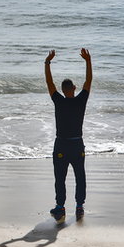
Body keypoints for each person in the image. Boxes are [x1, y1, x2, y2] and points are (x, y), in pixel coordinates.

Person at [44, 48, 92, 223]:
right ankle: (79, 207)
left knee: (60, 177)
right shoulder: (81, 100)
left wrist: (47, 62)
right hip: (77, 144)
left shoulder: (59, 101)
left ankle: (60, 207)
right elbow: (89, 81)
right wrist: (88, 61)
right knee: (80, 176)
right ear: (74, 88)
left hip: (61, 144)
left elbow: (49, 83)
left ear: (63, 90)